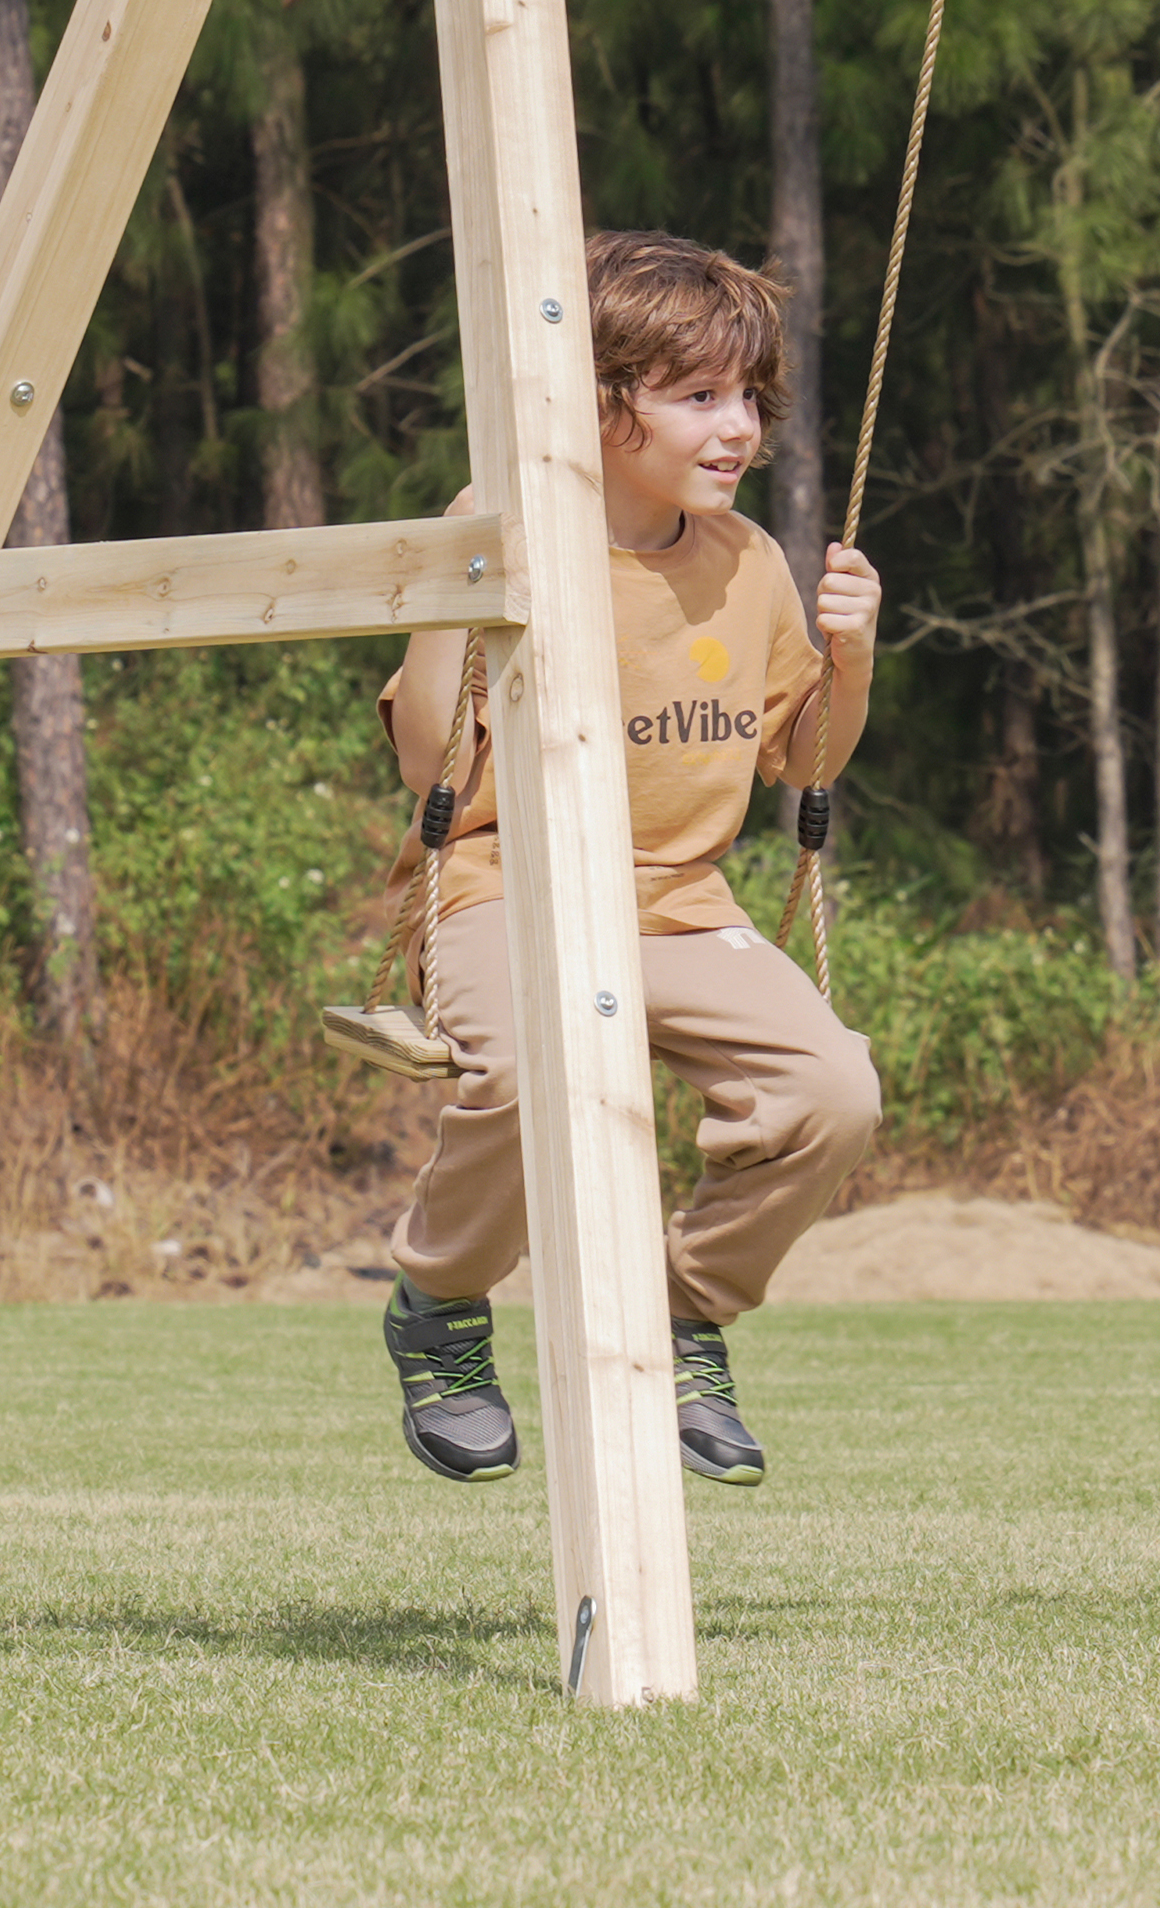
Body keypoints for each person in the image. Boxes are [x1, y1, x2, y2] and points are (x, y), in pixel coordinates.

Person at [367, 229, 883, 1492]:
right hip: (508, 888)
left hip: (677, 902)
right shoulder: (514, 542)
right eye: (697, 397)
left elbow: (805, 762)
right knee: (533, 1071)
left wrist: (853, 652)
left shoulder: (749, 561)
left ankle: (683, 1312)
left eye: (748, 399)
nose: (737, 428)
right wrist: (457, 581)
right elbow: (432, 767)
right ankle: (438, 1302)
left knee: (834, 1091)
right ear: (598, 406)